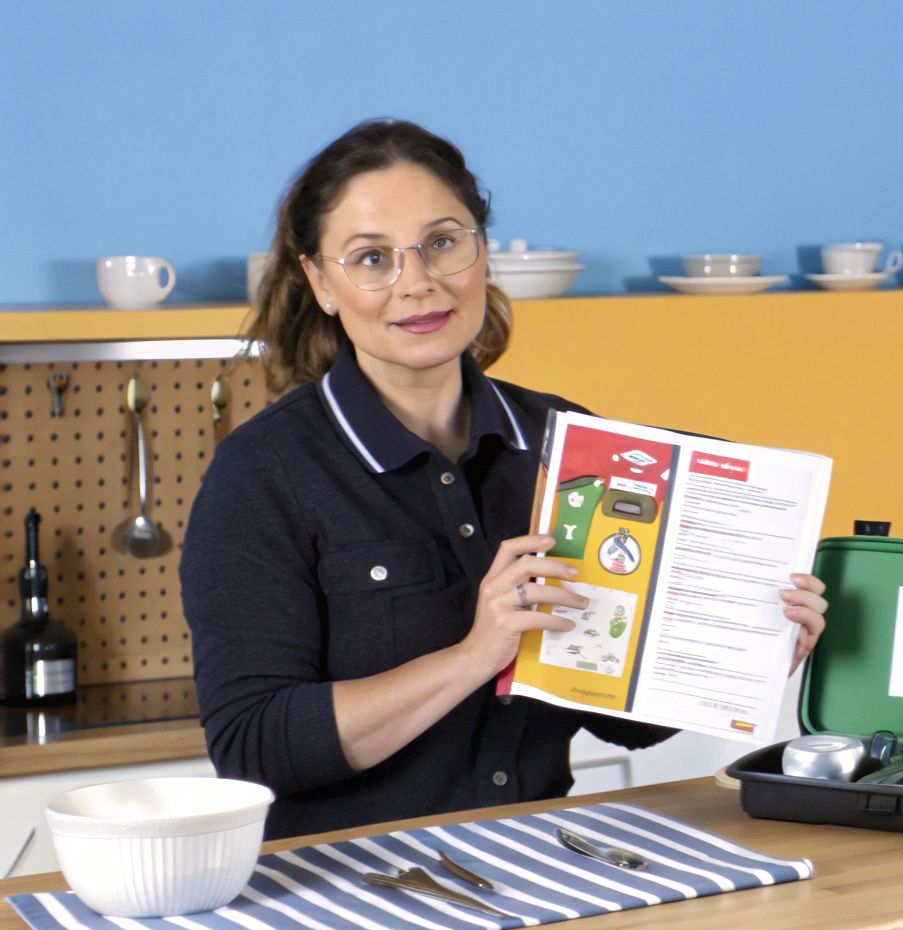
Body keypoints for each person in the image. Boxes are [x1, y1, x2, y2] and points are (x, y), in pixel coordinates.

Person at [180, 120, 827, 840]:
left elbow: (624, 723)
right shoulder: (265, 474)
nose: (418, 283)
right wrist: (475, 656)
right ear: (321, 283)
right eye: (371, 258)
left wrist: (749, 646)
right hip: (348, 894)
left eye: (443, 242)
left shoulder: (567, 447)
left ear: (482, 252)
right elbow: (255, 749)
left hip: (546, 865)